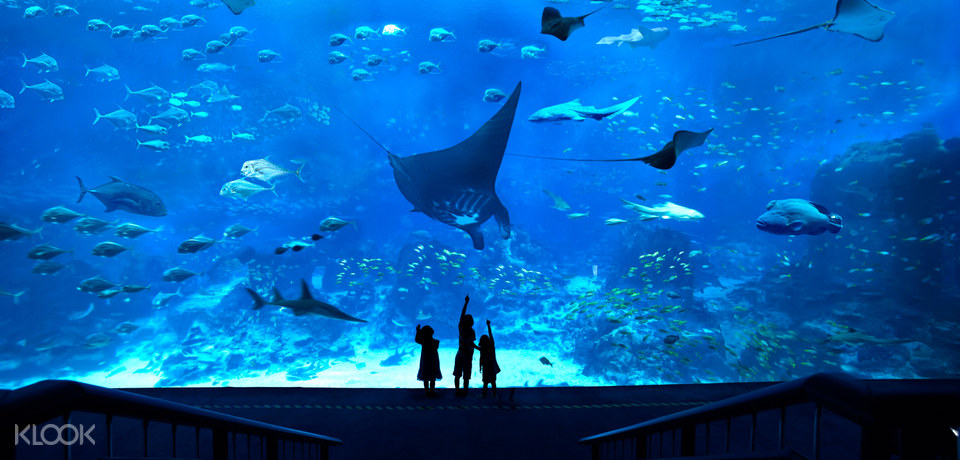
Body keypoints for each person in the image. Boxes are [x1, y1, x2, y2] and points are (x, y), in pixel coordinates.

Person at [452, 294, 475, 396]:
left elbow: (461, 316)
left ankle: (457, 390)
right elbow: (472, 343)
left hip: (460, 353)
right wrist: (480, 349)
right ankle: (465, 391)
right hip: (468, 355)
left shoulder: (461, 328)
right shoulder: (472, 331)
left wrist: (466, 302)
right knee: (466, 375)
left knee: (457, 374)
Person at [415, 324, 441, 397]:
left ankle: (427, 391)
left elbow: (416, 339)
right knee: (433, 377)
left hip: (425, 362)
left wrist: (418, 332)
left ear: (423, 334)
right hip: (433, 361)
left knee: (425, 377)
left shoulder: (424, 342)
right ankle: (432, 390)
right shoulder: (436, 342)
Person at [477, 319, 500, 398]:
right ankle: (494, 394)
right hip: (492, 367)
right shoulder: (491, 346)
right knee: (493, 381)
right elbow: (491, 335)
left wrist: (480, 367)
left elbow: (481, 359)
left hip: (486, 367)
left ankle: (484, 395)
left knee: (485, 382)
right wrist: (488, 325)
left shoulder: (482, 349)